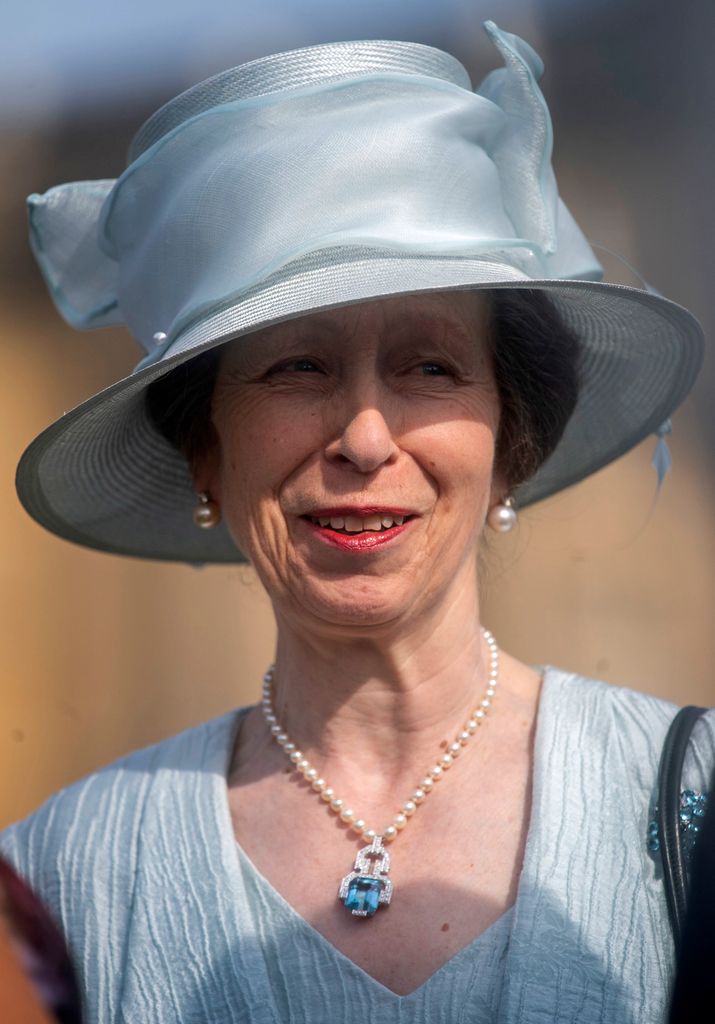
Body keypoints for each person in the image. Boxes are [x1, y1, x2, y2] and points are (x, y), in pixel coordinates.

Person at [1, 19, 712, 1023]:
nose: (366, 437)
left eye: (429, 365)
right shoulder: (61, 882)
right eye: (298, 366)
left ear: (509, 437)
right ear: (206, 449)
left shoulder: (688, 807)